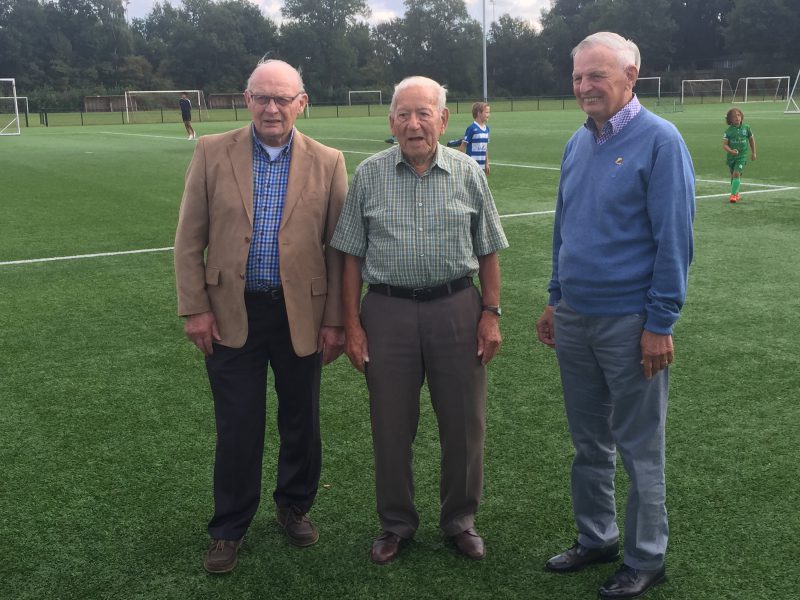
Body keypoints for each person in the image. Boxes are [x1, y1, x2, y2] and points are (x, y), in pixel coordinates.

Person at [535, 32, 695, 599]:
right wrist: (555, 297)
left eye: (597, 75)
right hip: (575, 316)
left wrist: (660, 323)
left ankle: (646, 558)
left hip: (630, 323)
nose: (584, 86)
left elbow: (675, 241)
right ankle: (596, 537)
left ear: (631, 75)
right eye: (578, 76)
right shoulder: (578, 142)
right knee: (588, 443)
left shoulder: (661, 141)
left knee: (639, 447)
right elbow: (565, 227)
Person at [173, 59, 347, 574]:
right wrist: (195, 308)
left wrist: (335, 320)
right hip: (231, 313)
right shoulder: (211, 151)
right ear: (247, 100)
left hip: (301, 314)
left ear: (301, 103)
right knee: (238, 425)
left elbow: (338, 251)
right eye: (262, 97)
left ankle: (294, 506)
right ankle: (228, 528)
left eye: (282, 98)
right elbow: (189, 240)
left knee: (301, 421)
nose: (272, 108)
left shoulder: (329, 161)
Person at [330, 76, 508, 565]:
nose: (414, 124)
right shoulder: (369, 174)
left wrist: (490, 314)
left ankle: (460, 520)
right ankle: (396, 523)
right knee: (390, 425)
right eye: (404, 115)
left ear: (443, 120)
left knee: (465, 424)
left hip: (457, 308)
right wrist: (352, 325)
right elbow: (350, 256)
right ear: (391, 122)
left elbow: (489, 249)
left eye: (423, 113)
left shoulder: (468, 173)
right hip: (387, 312)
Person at [723, 107, 756, 203]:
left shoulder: (746, 128)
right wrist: (731, 151)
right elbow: (724, 145)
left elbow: (751, 140)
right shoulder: (728, 131)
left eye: (738, 115)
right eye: (734, 116)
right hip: (731, 157)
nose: (737, 117)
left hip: (742, 156)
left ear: (741, 116)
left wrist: (754, 152)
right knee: (733, 176)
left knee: (736, 173)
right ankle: (736, 192)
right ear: (730, 119)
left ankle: (733, 195)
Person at [459, 101, 491, 175]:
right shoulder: (472, 128)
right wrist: (460, 162)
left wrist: (486, 163)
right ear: (479, 113)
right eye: (486, 112)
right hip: (471, 166)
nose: (488, 115)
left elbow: (485, 147)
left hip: (482, 166)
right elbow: (463, 146)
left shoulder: (487, 129)